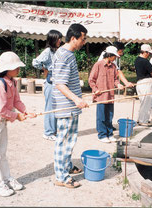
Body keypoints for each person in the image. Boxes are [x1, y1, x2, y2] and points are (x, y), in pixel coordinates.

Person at [0, 51, 36, 197]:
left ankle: (5, 179)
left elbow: (16, 101)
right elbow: (0, 110)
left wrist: (26, 111)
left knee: (2, 152)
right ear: (7, 68)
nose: (18, 69)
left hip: (2, 122)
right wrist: (17, 116)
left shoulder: (13, 82)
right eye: (16, 66)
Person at [52, 24, 89, 188]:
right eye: (83, 39)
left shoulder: (69, 53)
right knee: (63, 141)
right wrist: (76, 99)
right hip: (66, 106)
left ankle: (66, 167)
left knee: (70, 140)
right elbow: (59, 83)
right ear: (73, 38)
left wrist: (79, 98)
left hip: (71, 106)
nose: (84, 42)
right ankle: (61, 176)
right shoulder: (63, 55)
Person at [89, 46, 124, 143]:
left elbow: (115, 79)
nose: (115, 58)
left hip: (110, 95)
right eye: (114, 56)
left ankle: (110, 134)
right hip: (101, 96)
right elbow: (91, 80)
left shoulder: (113, 66)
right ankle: (102, 135)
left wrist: (118, 85)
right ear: (109, 55)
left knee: (109, 116)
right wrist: (95, 89)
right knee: (101, 116)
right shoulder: (98, 65)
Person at [32, 30, 63, 141]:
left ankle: (53, 131)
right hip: (50, 82)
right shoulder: (47, 51)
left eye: (60, 38)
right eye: (58, 39)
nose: (60, 40)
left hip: (57, 82)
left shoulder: (58, 51)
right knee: (50, 108)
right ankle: (48, 132)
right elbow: (35, 62)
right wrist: (44, 69)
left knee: (56, 108)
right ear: (53, 40)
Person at [134, 44, 152, 127]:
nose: (149, 55)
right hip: (146, 82)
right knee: (146, 102)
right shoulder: (145, 61)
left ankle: (141, 119)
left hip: (139, 83)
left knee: (143, 102)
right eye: (148, 53)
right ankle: (143, 120)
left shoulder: (137, 60)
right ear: (145, 52)